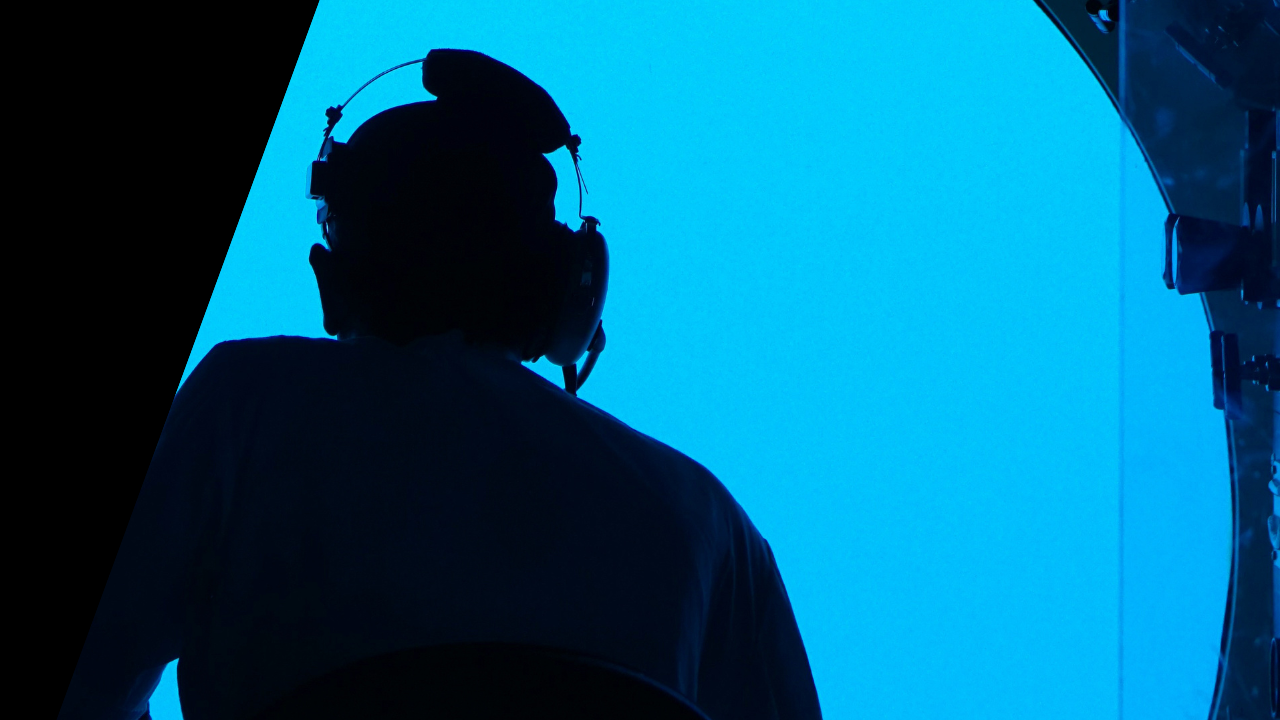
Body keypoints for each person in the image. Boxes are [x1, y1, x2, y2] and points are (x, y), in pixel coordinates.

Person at [59, 52, 822, 720]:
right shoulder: (711, 522)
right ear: (570, 290)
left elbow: (89, 684)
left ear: (335, 281)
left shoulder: (244, 402)